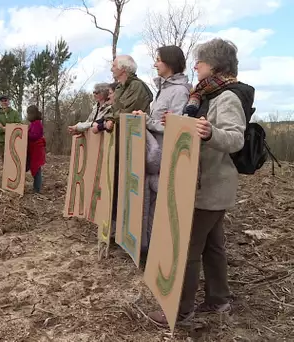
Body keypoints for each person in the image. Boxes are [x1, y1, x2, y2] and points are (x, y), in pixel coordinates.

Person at [147, 38, 248, 327]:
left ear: (214, 65)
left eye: (200, 62)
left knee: (189, 247)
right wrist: (175, 124)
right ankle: (219, 299)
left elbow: (235, 138)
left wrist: (209, 133)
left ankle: (180, 310)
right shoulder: (202, 95)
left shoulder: (226, 98)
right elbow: (192, 130)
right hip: (209, 185)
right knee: (214, 246)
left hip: (210, 186)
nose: (195, 66)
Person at [132, 46, 192, 258]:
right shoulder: (163, 89)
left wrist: (146, 120)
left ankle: (162, 254)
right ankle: (147, 247)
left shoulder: (180, 91)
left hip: (165, 157)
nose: (155, 64)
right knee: (150, 202)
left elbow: (175, 127)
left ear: (169, 62)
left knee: (161, 204)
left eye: (158, 60)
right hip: (154, 155)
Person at [104, 55, 154, 232]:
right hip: (118, 141)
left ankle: (130, 229)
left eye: (114, 66)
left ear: (123, 69)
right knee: (115, 181)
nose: (111, 69)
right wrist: (109, 118)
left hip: (132, 142)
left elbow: (127, 111)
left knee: (129, 186)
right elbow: (113, 109)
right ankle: (115, 225)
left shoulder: (137, 87)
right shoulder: (119, 87)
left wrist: (110, 119)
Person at [26, 105, 46, 193]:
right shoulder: (33, 124)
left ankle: (37, 189)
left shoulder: (37, 124)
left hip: (37, 151)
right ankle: (35, 187)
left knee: (37, 169)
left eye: (28, 114)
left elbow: (35, 136)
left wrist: (26, 134)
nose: (27, 116)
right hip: (32, 150)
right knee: (30, 167)